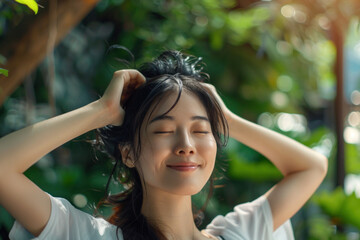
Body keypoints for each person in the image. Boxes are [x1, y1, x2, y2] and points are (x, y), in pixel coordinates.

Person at [0, 50, 328, 240]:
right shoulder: (85, 235)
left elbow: (312, 166)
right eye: (163, 131)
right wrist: (101, 111)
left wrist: (226, 118)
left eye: (201, 131)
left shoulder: (240, 234)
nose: (186, 145)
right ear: (128, 152)